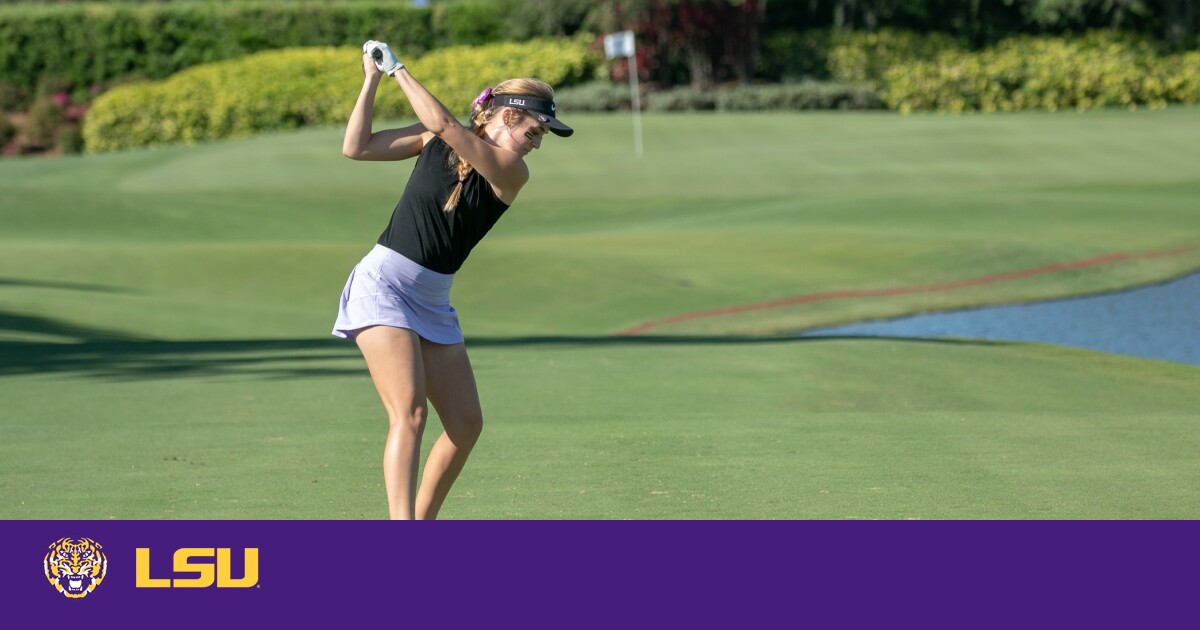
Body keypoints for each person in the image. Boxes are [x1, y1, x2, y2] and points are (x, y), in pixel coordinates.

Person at [333, 40, 573, 519]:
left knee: (466, 425)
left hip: (433, 300)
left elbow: (444, 123)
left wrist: (399, 67)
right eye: (535, 128)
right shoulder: (432, 139)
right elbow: (355, 147)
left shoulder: (512, 172)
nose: (539, 141)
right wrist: (374, 78)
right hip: (384, 286)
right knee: (411, 414)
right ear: (506, 116)